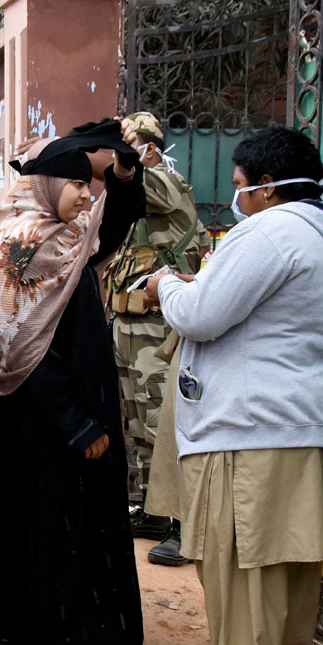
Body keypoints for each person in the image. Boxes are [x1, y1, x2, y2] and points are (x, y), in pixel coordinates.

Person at [145, 126, 323, 645]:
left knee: (242, 577)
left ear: (268, 187)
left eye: (242, 186)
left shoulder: (270, 233)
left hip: (251, 436)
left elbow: (201, 314)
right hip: (305, 432)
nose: (237, 197)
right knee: (291, 575)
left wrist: (166, 286)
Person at [0, 127, 146, 645]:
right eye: (76, 184)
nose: (84, 194)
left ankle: (93, 632)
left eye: (86, 183)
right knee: (46, 525)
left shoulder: (68, 237)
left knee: (79, 523)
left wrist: (121, 175)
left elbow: (116, 227)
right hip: (42, 415)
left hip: (75, 402)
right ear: (46, 183)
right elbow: (20, 343)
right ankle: (51, 638)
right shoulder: (21, 244)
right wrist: (75, 423)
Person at [105, 112, 207, 566]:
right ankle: (153, 510)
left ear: (149, 147)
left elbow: (143, 189)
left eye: (133, 145)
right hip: (127, 326)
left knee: (164, 424)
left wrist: (128, 160)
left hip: (155, 326)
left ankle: (185, 526)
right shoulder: (131, 191)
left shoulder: (165, 183)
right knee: (136, 425)